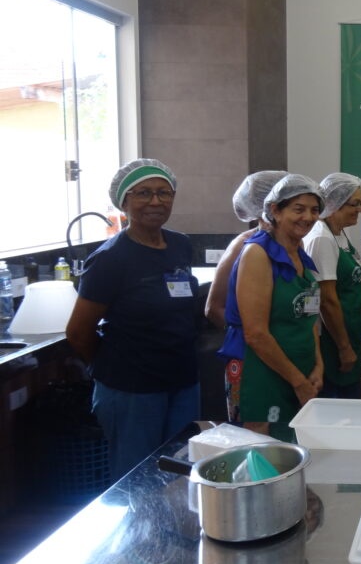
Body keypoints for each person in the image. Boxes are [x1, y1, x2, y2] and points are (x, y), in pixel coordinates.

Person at [66, 158, 200, 479]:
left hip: (183, 381)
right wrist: (114, 368)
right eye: (143, 193)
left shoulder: (180, 245)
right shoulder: (111, 259)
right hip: (132, 390)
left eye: (164, 193)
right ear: (123, 202)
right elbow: (79, 332)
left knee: (180, 472)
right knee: (136, 479)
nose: (155, 201)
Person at [236, 174, 325, 439]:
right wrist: (298, 381)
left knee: (296, 448)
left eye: (314, 210)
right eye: (298, 209)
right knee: (268, 453)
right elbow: (255, 334)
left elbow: (308, 318)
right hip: (267, 373)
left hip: (301, 371)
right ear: (275, 210)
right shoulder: (257, 254)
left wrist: (318, 365)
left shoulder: (300, 252)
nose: (308, 217)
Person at [206, 169, 287, 422]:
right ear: (271, 206)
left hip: (284, 357)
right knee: (253, 431)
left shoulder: (295, 246)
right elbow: (213, 308)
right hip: (251, 358)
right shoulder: (244, 245)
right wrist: (252, 338)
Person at [303, 173, 361, 399]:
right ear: (334, 204)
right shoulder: (322, 238)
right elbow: (327, 301)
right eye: (354, 204)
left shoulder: (338, 232)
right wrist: (344, 347)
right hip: (332, 340)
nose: (360, 209)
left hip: (348, 330)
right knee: (338, 405)